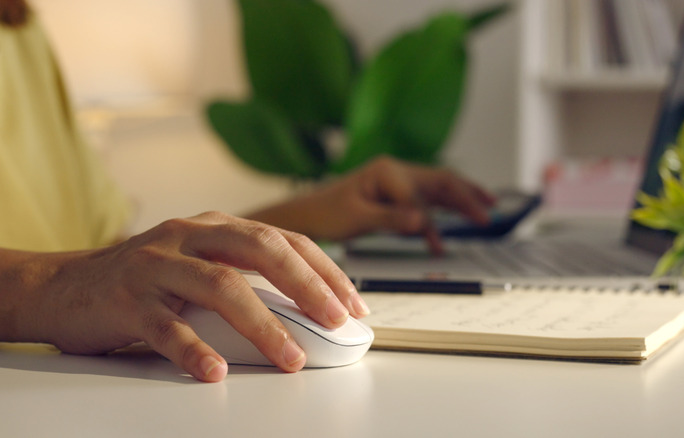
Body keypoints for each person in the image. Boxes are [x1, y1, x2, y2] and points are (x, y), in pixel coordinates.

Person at [0, 0, 495, 382]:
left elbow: (108, 263)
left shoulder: (21, 25)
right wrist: (56, 286)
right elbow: (84, 278)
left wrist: (315, 213)